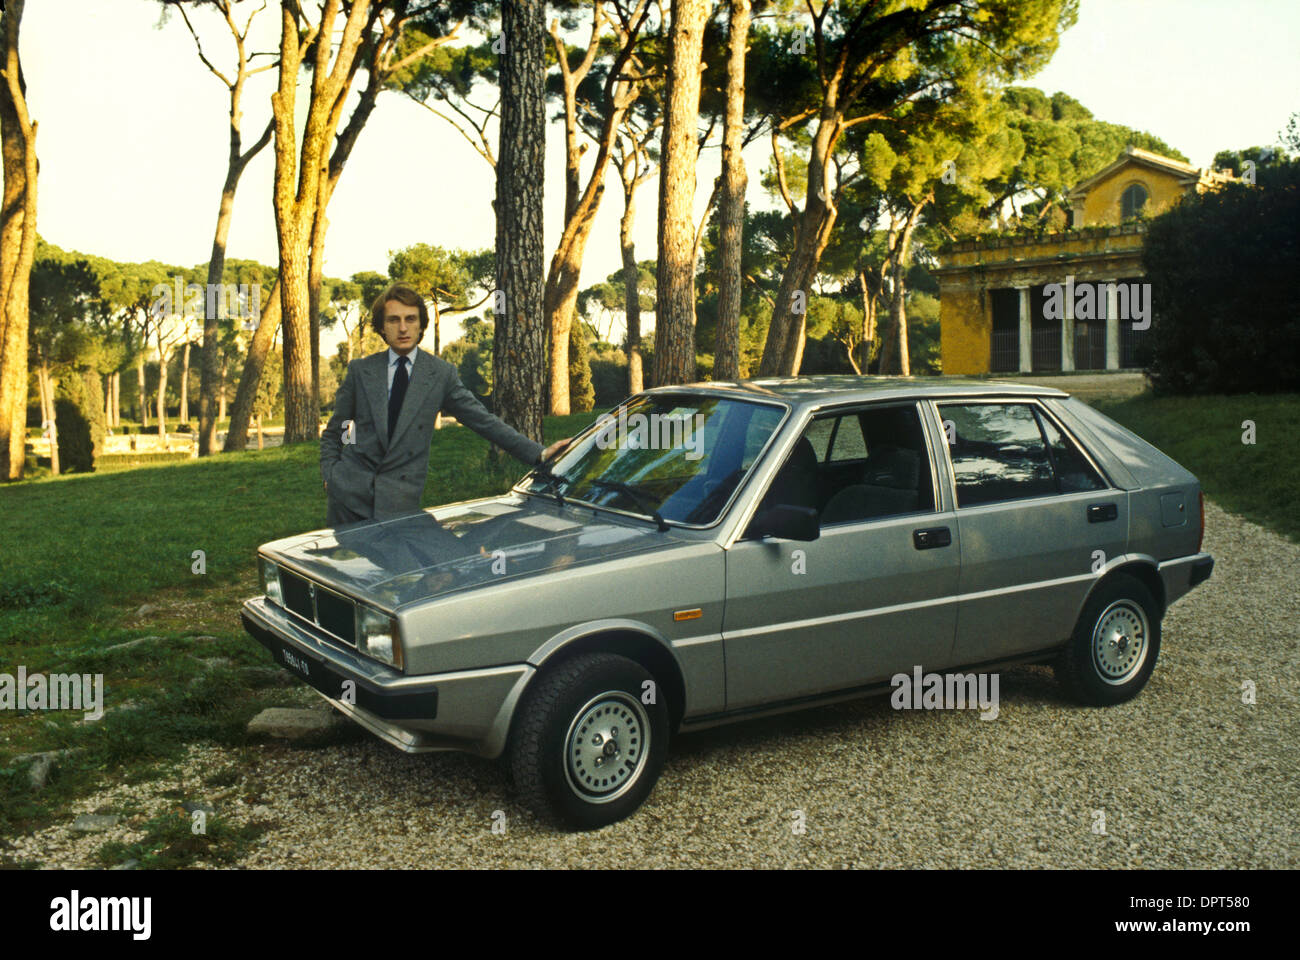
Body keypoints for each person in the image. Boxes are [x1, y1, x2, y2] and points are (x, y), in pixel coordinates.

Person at [320, 283, 570, 526]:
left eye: (411, 319)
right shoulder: (361, 371)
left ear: (421, 325)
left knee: (399, 567)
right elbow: (339, 428)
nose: (403, 328)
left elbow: (482, 421)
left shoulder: (440, 375)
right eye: (394, 320)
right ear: (382, 327)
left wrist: (538, 453)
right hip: (349, 499)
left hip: (399, 501)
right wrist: (332, 475)